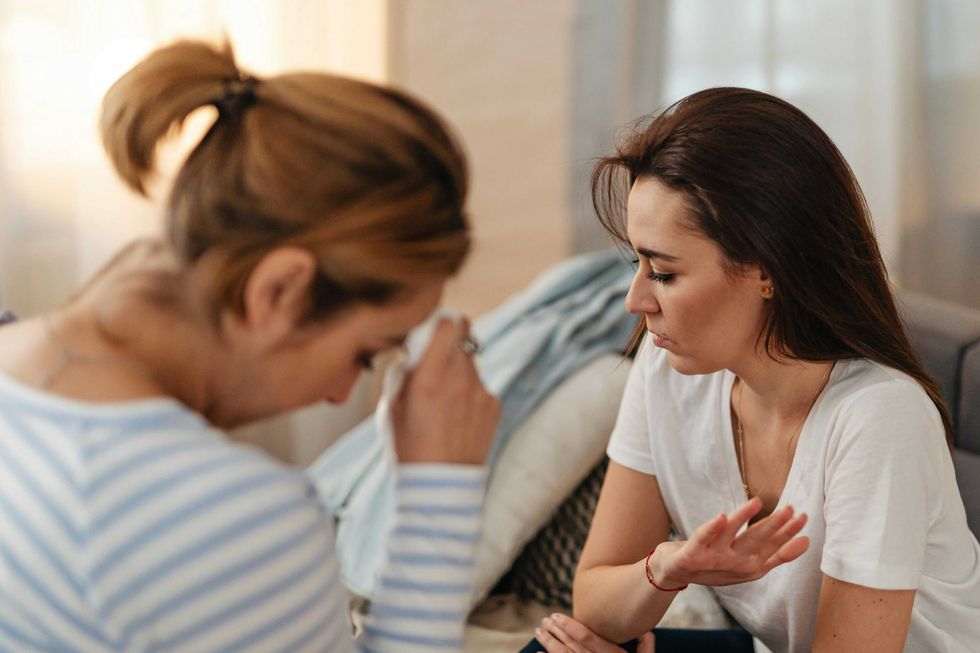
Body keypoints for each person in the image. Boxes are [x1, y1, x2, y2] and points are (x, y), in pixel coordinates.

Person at [0, 40, 500, 652]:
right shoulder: (226, 516)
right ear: (279, 290)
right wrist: (437, 493)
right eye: (366, 353)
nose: (343, 392)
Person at [530, 88, 980, 652]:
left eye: (664, 273)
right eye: (637, 264)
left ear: (766, 271)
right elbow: (594, 602)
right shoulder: (666, 367)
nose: (636, 300)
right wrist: (667, 569)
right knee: (555, 648)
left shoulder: (879, 418)